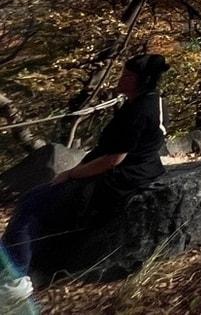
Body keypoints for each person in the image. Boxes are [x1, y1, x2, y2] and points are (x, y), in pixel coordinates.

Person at [1, 54, 169, 303]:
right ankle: (12, 266)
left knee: (31, 205)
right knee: (35, 199)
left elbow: (113, 159)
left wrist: (71, 173)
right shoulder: (145, 102)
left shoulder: (139, 111)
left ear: (140, 80)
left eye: (127, 75)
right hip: (132, 170)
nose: (121, 78)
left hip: (117, 179)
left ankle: (16, 282)